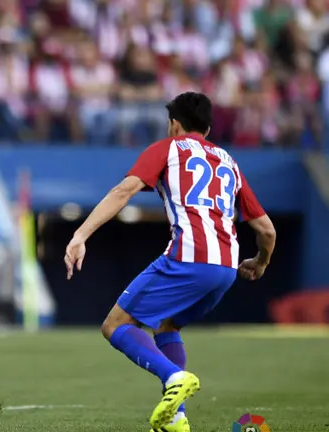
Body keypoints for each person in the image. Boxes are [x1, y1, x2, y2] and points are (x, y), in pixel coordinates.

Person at [63, 92, 276, 432]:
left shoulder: (167, 148)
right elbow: (266, 230)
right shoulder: (229, 162)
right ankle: (176, 420)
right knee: (167, 326)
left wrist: (80, 236)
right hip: (226, 268)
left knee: (115, 325)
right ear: (206, 127)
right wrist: (261, 263)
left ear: (174, 124)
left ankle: (174, 376)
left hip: (188, 258)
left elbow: (124, 191)